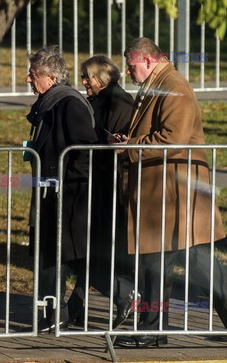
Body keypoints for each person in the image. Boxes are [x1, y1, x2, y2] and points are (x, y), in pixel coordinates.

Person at [111, 37, 227, 348]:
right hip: (167, 190)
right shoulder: (161, 82)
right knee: (184, 259)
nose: (127, 72)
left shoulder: (173, 85)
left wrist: (130, 147)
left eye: (131, 65)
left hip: (173, 191)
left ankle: (154, 328)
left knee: (164, 260)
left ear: (149, 60)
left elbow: (172, 138)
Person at [25, 45, 98, 333]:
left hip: (66, 196)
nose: (28, 80)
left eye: (33, 75)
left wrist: (66, 184)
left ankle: (125, 293)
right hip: (48, 194)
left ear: (51, 77)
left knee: (70, 259)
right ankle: (50, 315)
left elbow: (85, 149)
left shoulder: (68, 103)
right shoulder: (47, 102)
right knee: (49, 257)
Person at [67, 55, 139, 329]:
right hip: (96, 183)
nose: (83, 82)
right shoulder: (99, 100)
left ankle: (124, 295)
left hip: (109, 186)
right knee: (87, 249)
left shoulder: (118, 101)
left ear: (101, 78)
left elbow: (114, 142)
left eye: (87, 77)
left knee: (93, 250)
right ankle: (77, 305)